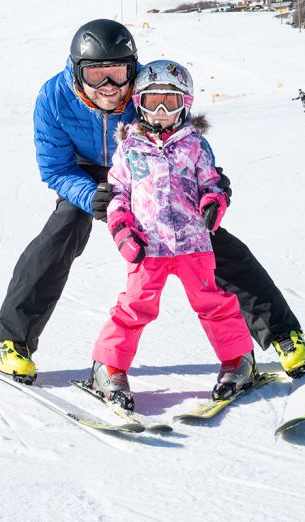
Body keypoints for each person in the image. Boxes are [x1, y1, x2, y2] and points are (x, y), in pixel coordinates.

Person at [0, 18, 305, 384]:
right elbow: (56, 169)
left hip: (147, 165)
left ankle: (283, 333)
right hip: (87, 174)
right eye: (96, 77)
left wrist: (210, 184)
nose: (109, 87)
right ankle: (9, 341)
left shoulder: (147, 88)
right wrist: (90, 195)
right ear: (78, 74)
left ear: (133, 69)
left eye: (118, 74)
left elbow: (181, 129)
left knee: (209, 239)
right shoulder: (54, 97)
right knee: (62, 233)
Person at [89, 60, 256, 411]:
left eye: (170, 101)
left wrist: (214, 202)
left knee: (213, 304)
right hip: (148, 247)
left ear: (186, 105)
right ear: (139, 104)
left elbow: (212, 182)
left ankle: (237, 361)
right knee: (134, 307)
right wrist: (123, 230)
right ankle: (109, 367)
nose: (162, 111)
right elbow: (117, 194)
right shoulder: (129, 149)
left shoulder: (195, 145)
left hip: (194, 244)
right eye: (153, 102)